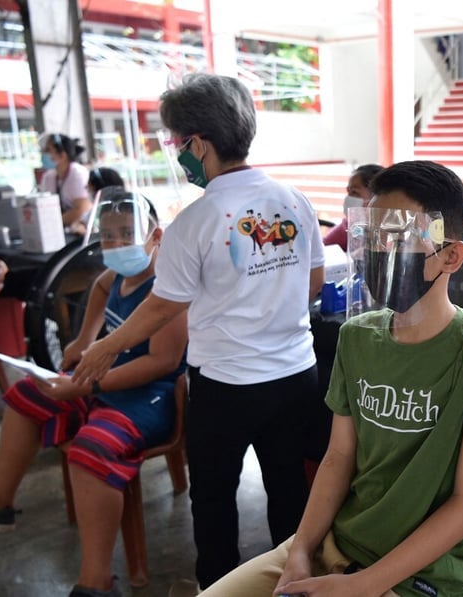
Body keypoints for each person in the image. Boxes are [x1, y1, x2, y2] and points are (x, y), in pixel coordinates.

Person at [201, 160, 463, 597]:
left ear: (451, 255)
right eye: (373, 237)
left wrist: (366, 584)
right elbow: (337, 458)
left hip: (417, 576)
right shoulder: (356, 337)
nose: (380, 252)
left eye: (399, 238)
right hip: (337, 544)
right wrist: (299, 549)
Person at [70, 73, 326, 591]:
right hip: (296, 376)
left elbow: (163, 306)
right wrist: (267, 307)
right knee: (289, 492)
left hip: (227, 387)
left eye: (174, 142)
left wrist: (107, 346)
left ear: (199, 145)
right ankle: (294, 585)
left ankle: (219, 586)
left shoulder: (198, 219)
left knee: (213, 500)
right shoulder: (294, 200)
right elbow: (314, 280)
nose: (175, 153)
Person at [0, 190, 187, 597]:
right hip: (106, 377)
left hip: (153, 397)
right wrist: (83, 340)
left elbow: (162, 363)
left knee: (91, 448)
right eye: (108, 236)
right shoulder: (118, 274)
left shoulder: (168, 285)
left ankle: (96, 582)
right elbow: (99, 289)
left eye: (126, 233)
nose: (116, 245)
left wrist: (86, 383)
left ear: (155, 235)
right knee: (28, 394)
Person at [322, 163, 383, 252]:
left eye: (354, 192)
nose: (348, 198)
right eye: (349, 192)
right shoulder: (348, 228)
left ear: (375, 195)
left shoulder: (390, 228)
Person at [40, 133, 93, 234]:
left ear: (62, 155)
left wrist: (52, 222)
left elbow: (81, 210)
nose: (44, 154)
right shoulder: (49, 177)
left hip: (79, 231)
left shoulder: (77, 173)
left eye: (48, 150)